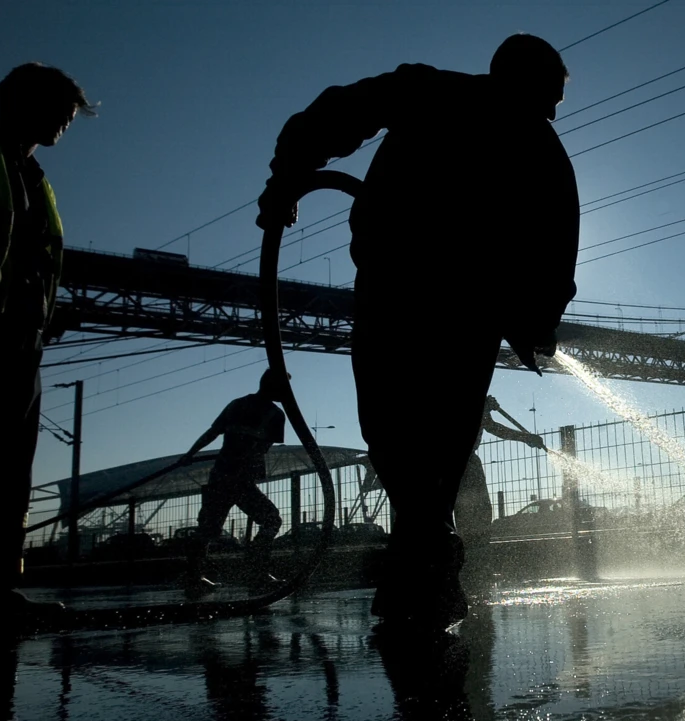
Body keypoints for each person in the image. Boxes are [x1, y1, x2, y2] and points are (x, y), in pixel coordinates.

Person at [257, 33, 579, 630]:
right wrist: (538, 321)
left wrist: (286, 175)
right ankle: (427, 565)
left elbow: (335, 114)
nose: (555, 111)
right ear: (520, 78)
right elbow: (557, 243)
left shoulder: (431, 93)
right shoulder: (530, 139)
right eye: (552, 95)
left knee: (399, 429)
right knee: (428, 438)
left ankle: (423, 567)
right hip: (456, 300)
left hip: (402, 286)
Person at [0, 63, 94, 618]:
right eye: (62, 111)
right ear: (23, 103)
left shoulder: (34, 175)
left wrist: (45, 312)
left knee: (8, 468)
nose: (68, 122)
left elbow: (29, 257)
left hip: (21, 341)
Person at [181, 368, 289, 595]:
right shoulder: (275, 414)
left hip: (221, 475)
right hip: (241, 481)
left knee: (208, 529)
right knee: (271, 521)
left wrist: (190, 454)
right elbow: (261, 449)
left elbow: (212, 433)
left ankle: (194, 577)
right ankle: (256, 572)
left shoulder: (236, 404)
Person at [456, 395, 545, 588]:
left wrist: (526, 438)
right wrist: (482, 407)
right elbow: (488, 426)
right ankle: (470, 566)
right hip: (458, 459)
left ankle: (475, 563)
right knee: (470, 512)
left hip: (468, 460)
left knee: (479, 512)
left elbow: (492, 427)